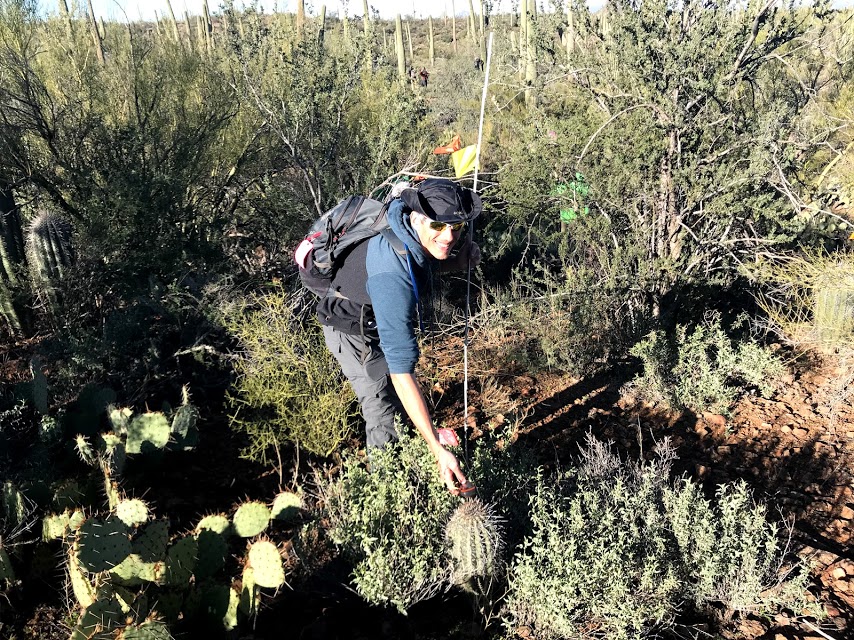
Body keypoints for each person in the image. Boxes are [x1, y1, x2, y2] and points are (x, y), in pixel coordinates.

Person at [316, 179, 482, 495]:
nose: (449, 236)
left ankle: (414, 455)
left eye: (457, 225)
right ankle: (392, 498)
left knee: (397, 403)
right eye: (439, 225)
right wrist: (437, 448)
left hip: (376, 317)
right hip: (353, 333)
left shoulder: (404, 224)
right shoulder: (391, 276)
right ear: (418, 218)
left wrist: (455, 262)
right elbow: (402, 373)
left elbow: (420, 261)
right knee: (382, 412)